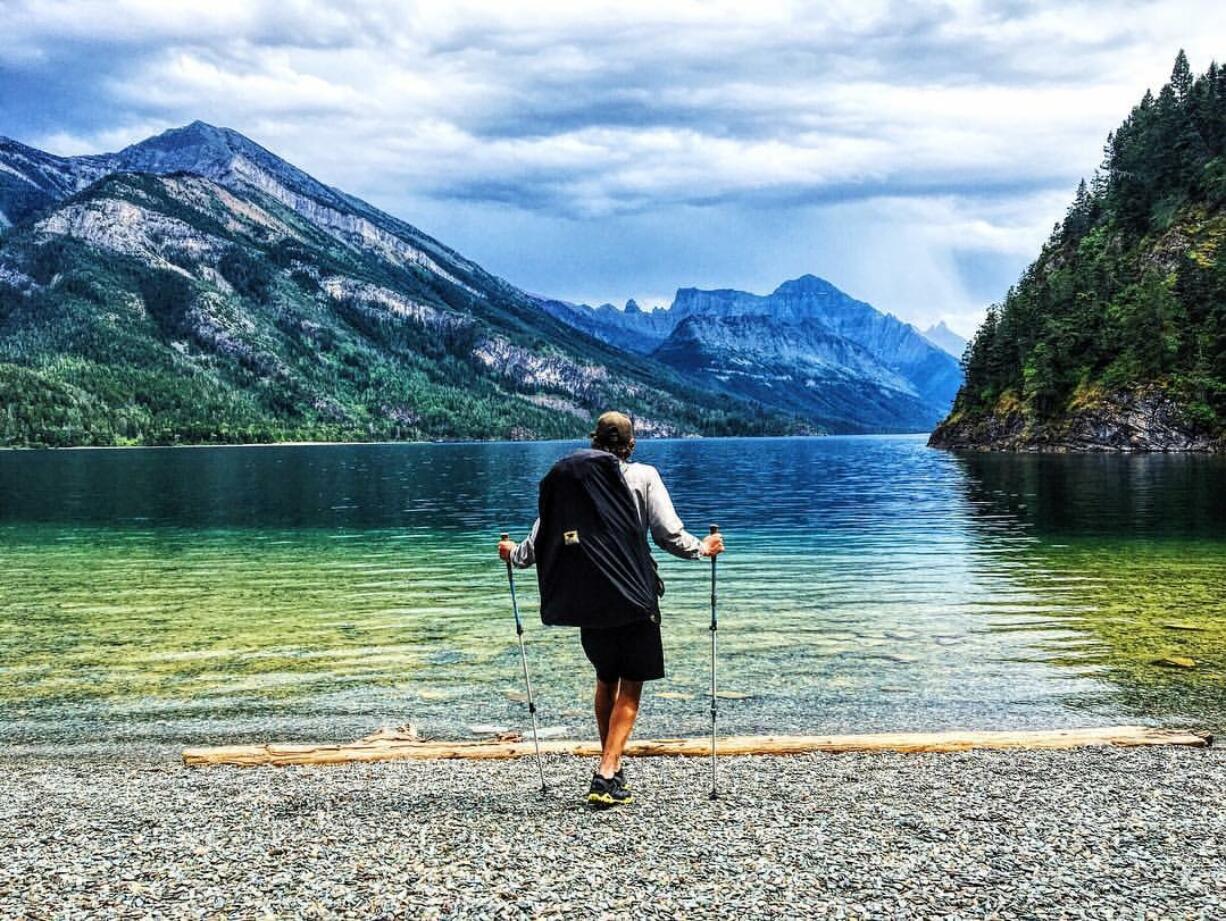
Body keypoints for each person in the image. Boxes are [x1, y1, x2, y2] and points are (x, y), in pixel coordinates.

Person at [498, 411, 724, 808]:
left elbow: (537, 541)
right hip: (635, 596)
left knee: (606, 679)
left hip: (590, 599)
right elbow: (668, 535)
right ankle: (605, 773)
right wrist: (703, 550)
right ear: (631, 444)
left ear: (595, 443)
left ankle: (612, 765)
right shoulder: (644, 477)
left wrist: (511, 555)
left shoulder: (573, 483)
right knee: (632, 685)